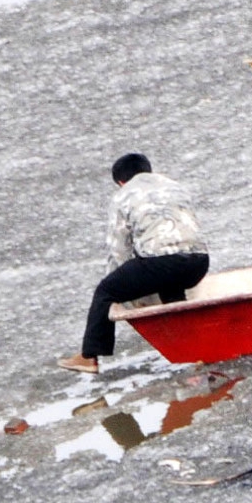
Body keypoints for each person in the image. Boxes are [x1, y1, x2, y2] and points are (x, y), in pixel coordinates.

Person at [58, 153, 209, 374]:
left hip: (163, 261)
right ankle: (192, 349)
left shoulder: (123, 195)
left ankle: (89, 356)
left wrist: (124, 284)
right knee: (171, 289)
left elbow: (119, 249)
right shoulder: (173, 185)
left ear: (120, 181)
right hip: (198, 261)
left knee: (105, 291)